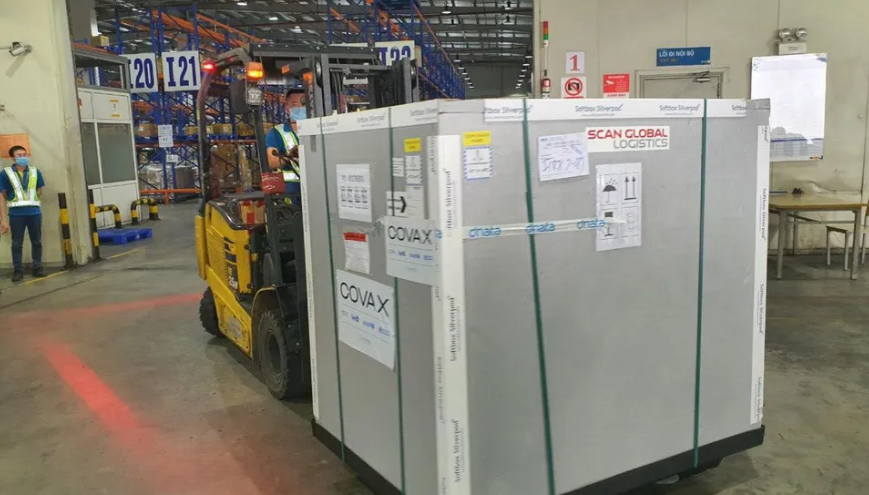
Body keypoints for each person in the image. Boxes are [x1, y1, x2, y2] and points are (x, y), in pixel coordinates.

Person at [0, 145, 46, 281]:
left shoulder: (35, 171)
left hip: (34, 212)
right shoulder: (5, 173)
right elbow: (3, 194)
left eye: (24, 154)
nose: (23, 157)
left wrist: (31, 200)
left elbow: (39, 190)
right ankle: (18, 271)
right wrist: (3, 219)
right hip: (16, 214)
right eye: (19, 155)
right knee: (16, 243)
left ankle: (37, 267)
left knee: (36, 241)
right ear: (13, 158)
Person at [265, 88, 307, 204]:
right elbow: (271, 162)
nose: (300, 108)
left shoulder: (320, 129)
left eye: (303, 104)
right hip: (291, 194)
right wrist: (291, 156)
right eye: (295, 105)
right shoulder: (276, 132)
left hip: (316, 188)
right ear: (287, 109)